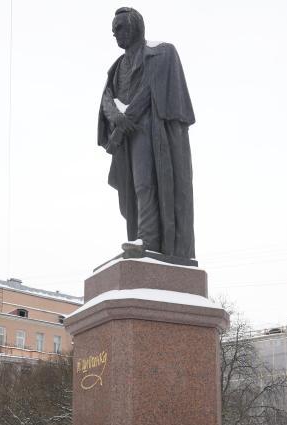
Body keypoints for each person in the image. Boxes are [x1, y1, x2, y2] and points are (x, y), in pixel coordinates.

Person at [98, 6, 196, 260]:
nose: (114, 34)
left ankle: (149, 240)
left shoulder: (161, 53)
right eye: (113, 30)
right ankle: (140, 236)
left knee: (145, 184)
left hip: (150, 132)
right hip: (127, 137)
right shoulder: (117, 67)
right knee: (133, 190)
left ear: (135, 26)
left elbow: (150, 90)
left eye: (119, 27)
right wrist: (118, 119)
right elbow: (107, 98)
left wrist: (125, 121)